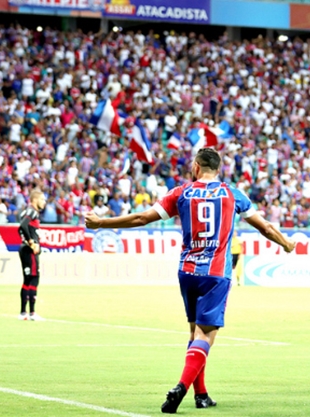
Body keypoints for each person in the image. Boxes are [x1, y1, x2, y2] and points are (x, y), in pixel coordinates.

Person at [85, 148, 295, 414]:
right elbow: (265, 227)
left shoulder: (181, 192)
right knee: (207, 335)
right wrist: (286, 243)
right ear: (218, 169)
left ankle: (202, 394)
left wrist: (102, 222)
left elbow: (141, 218)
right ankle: (181, 387)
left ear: (196, 167)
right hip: (216, 273)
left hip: (187, 271)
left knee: (195, 332)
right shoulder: (232, 193)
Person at [17, 189, 46, 321]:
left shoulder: (26, 211)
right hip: (29, 250)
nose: (44, 202)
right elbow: (23, 225)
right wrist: (31, 242)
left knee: (27, 280)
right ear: (35, 200)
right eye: (42, 199)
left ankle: (23, 313)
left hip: (24, 249)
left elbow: (20, 229)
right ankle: (32, 313)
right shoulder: (32, 211)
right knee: (34, 278)